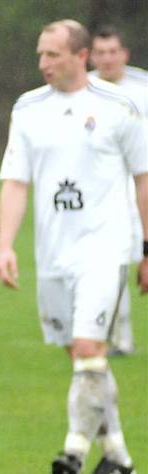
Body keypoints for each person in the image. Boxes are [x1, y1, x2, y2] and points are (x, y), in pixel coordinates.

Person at [0, 19, 147, 474]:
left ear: (80, 56)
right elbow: (16, 181)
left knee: (88, 350)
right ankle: (118, 456)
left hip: (106, 248)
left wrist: (146, 248)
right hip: (53, 255)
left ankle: (74, 451)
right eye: (40, 54)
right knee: (86, 361)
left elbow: (144, 178)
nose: (43, 63)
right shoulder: (28, 108)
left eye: (52, 55)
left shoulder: (120, 107)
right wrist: (5, 244)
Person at [89, 26, 148, 356]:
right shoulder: (85, 89)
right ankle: (120, 339)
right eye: (101, 52)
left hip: (144, 181)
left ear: (125, 54)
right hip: (108, 188)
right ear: (91, 56)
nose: (108, 58)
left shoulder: (143, 86)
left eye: (113, 51)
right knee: (115, 263)